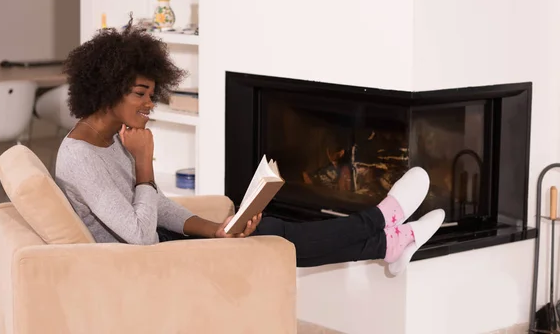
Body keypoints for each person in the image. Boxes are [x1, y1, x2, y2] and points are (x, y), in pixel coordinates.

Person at [54, 20, 445, 276]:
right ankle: (381, 221)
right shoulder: (80, 156)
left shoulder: (113, 137)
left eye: (152, 95)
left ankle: (390, 239)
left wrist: (217, 230)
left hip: (162, 248)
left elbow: (156, 207)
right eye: (141, 94)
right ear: (107, 90)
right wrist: (144, 165)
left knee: (269, 232)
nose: (149, 105)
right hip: (143, 265)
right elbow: (139, 235)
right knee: (270, 236)